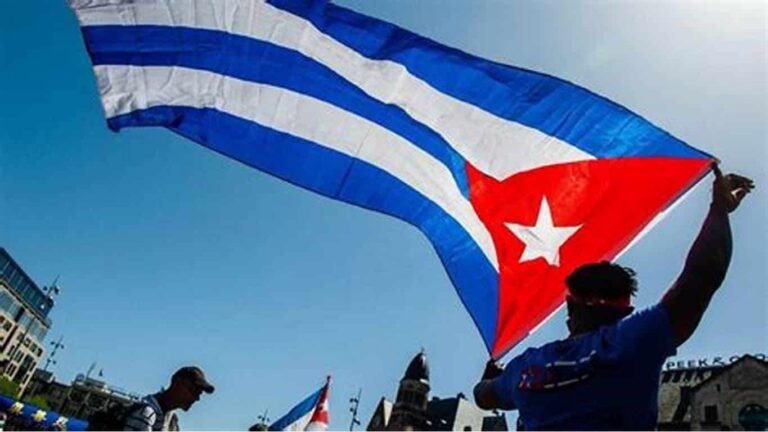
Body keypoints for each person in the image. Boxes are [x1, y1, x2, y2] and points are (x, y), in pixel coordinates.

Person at [473, 165, 754, 430]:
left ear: (570, 305)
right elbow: (703, 276)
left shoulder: (525, 367)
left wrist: (492, 379)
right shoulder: (632, 341)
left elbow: (482, 396)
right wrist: (719, 209)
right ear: (625, 313)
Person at [123, 366, 215, 431]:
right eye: (193, 391)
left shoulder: (172, 421)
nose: (196, 398)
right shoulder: (146, 413)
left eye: (199, 394)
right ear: (177, 383)